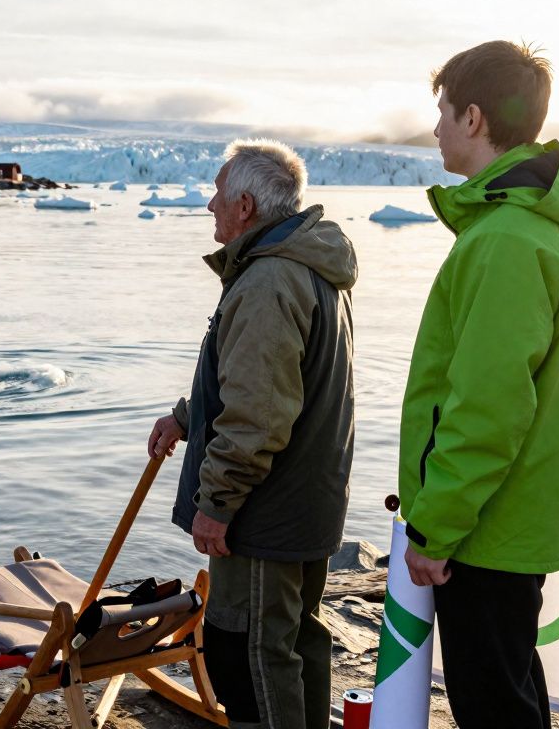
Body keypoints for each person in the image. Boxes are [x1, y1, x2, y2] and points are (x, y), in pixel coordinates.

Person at [398, 41, 559, 728]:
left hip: (485, 531)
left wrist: (435, 528)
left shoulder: (508, 240)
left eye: (442, 112)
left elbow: (489, 407)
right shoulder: (530, 229)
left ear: (474, 118)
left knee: (493, 705)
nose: (434, 129)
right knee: (512, 693)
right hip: (508, 523)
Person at [147, 139, 356, 729]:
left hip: (263, 514)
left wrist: (216, 502)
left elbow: (259, 414)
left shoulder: (268, 281)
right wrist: (188, 416)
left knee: (248, 653)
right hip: (307, 500)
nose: (209, 203)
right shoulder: (308, 266)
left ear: (244, 205)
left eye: (217, 192)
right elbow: (259, 376)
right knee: (295, 641)